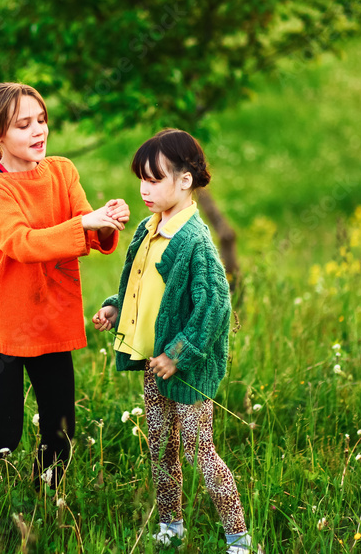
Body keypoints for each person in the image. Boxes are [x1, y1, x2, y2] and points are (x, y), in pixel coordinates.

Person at [0, 82, 130, 507]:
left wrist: (107, 221)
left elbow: (89, 232)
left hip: (52, 320)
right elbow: (23, 244)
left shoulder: (62, 171)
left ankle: (41, 507)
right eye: (24, 125)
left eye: (42, 120)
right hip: (6, 323)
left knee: (60, 431)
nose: (38, 131)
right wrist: (86, 224)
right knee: (6, 435)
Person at [92, 129, 253, 552]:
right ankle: (171, 527)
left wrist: (177, 354)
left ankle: (238, 537)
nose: (144, 189)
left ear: (185, 180)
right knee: (161, 445)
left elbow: (215, 308)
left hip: (188, 368)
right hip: (152, 360)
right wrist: (114, 306)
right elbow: (141, 287)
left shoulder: (196, 241)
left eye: (155, 179)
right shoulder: (149, 228)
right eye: (141, 180)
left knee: (201, 451)